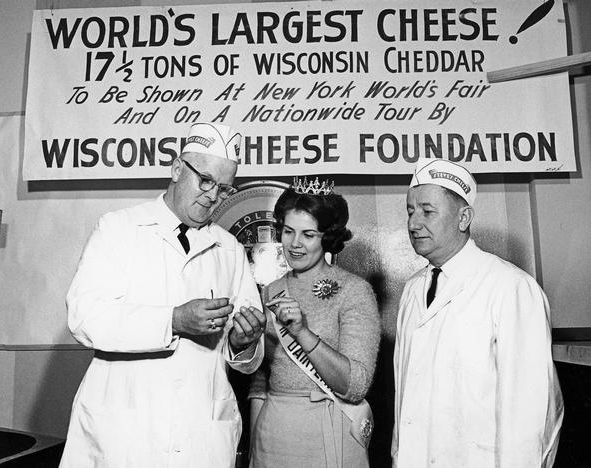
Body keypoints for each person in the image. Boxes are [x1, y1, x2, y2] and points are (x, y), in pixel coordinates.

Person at [60, 123, 266, 468]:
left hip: (200, 434)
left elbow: (244, 357)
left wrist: (244, 341)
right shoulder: (118, 229)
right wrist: (173, 319)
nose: (213, 195)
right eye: (206, 180)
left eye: (225, 188)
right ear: (176, 168)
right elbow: (84, 317)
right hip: (125, 434)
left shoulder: (228, 248)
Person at [392, 159, 563, 467]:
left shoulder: (511, 288)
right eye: (410, 210)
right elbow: (405, 399)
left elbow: (530, 416)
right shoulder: (412, 289)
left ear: (463, 217)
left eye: (427, 211)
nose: (413, 223)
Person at [248, 177, 381, 468]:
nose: (294, 244)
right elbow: (260, 383)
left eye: (308, 234)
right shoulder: (270, 291)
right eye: (288, 231)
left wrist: (302, 334)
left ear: (328, 236)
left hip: (329, 428)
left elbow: (356, 385)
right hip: (274, 434)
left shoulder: (353, 291)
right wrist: (255, 447)